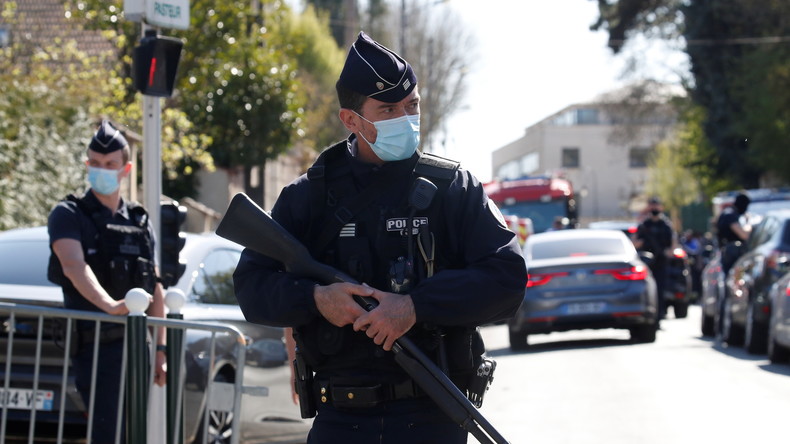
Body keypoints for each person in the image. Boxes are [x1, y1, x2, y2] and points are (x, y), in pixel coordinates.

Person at [233, 31, 526, 444]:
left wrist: (414, 306)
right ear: (351, 120)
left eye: (413, 105)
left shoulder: (453, 187)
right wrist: (317, 299)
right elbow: (251, 287)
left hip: (434, 412)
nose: (406, 118)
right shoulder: (308, 196)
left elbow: (507, 278)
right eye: (388, 109)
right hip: (342, 417)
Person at [47, 120, 167, 444]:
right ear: (87, 165)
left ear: (125, 169)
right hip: (96, 348)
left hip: (136, 349)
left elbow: (155, 286)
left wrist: (160, 350)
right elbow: (74, 266)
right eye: (95, 164)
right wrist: (110, 306)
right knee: (106, 433)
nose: (101, 170)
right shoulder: (68, 213)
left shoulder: (141, 220)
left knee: (131, 434)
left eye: (110, 164)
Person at [633, 196, 675, 320]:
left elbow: (672, 244)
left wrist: (669, 252)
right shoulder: (644, 225)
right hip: (646, 263)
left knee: (661, 289)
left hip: (661, 262)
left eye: (656, 205)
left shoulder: (666, 225)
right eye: (652, 205)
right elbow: (635, 242)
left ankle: (660, 314)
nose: (654, 208)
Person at [716, 192, 751, 275]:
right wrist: (748, 223)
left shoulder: (728, 212)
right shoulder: (730, 214)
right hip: (731, 252)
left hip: (728, 251)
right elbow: (743, 235)